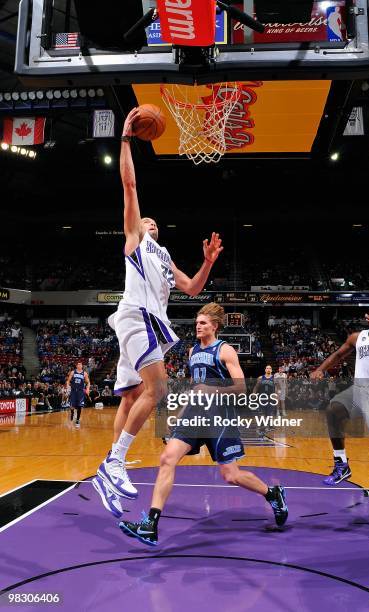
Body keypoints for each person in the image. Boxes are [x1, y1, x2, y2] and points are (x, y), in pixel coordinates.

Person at [92, 107, 224, 518]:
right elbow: (129, 186)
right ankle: (113, 461)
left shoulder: (163, 256)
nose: (148, 221)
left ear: (159, 231)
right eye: (143, 220)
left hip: (150, 325)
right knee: (159, 391)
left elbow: (192, 288)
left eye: (152, 222)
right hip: (136, 317)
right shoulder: (134, 239)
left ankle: (111, 468)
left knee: (133, 395)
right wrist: (127, 139)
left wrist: (207, 263)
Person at [118, 303, 288, 545]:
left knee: (231, 475)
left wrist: (211, 389)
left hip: (220, 418)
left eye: (203, 323)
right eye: (197, 322)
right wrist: (180, 414)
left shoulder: (225, 351)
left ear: (215, 326)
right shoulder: (192, 352)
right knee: (167, 458)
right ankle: (150, 525)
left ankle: (272, 494)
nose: (198, 326)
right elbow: (194, 389)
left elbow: (241, 389)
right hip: (195, 416)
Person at [311, 304, 369, 538]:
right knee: (333, 409)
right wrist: (321, 369)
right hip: (360, 392)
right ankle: (341, 464)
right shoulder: (357, 337)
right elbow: (338, 354)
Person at [66, 361, 90, 428]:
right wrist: (68, 385)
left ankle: (77, 420)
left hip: (80, 392)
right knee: (72, 405)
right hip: (73, 391)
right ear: (76, 366)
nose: (79, 365)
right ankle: (72, 413)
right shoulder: (73, 372)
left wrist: (87, 389)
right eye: (78, 364)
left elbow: (88, 382)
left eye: (80, 364)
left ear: (82, 366)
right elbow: (68, 381)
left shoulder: (84, 373)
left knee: (79, 406)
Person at [253, 365, 276, 435]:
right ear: (265, 370)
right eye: (267, 368)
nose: (268, 369)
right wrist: (254, 393)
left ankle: (270, 426)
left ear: (271, 370)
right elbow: (256, 387)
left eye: (270, 368)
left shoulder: (275, 378)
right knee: (262, 413)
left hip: (271, 398)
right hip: (262, 398)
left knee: (270, 413)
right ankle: (262, 426)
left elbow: (278, 388)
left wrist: (277, 394)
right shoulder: (260, 378)